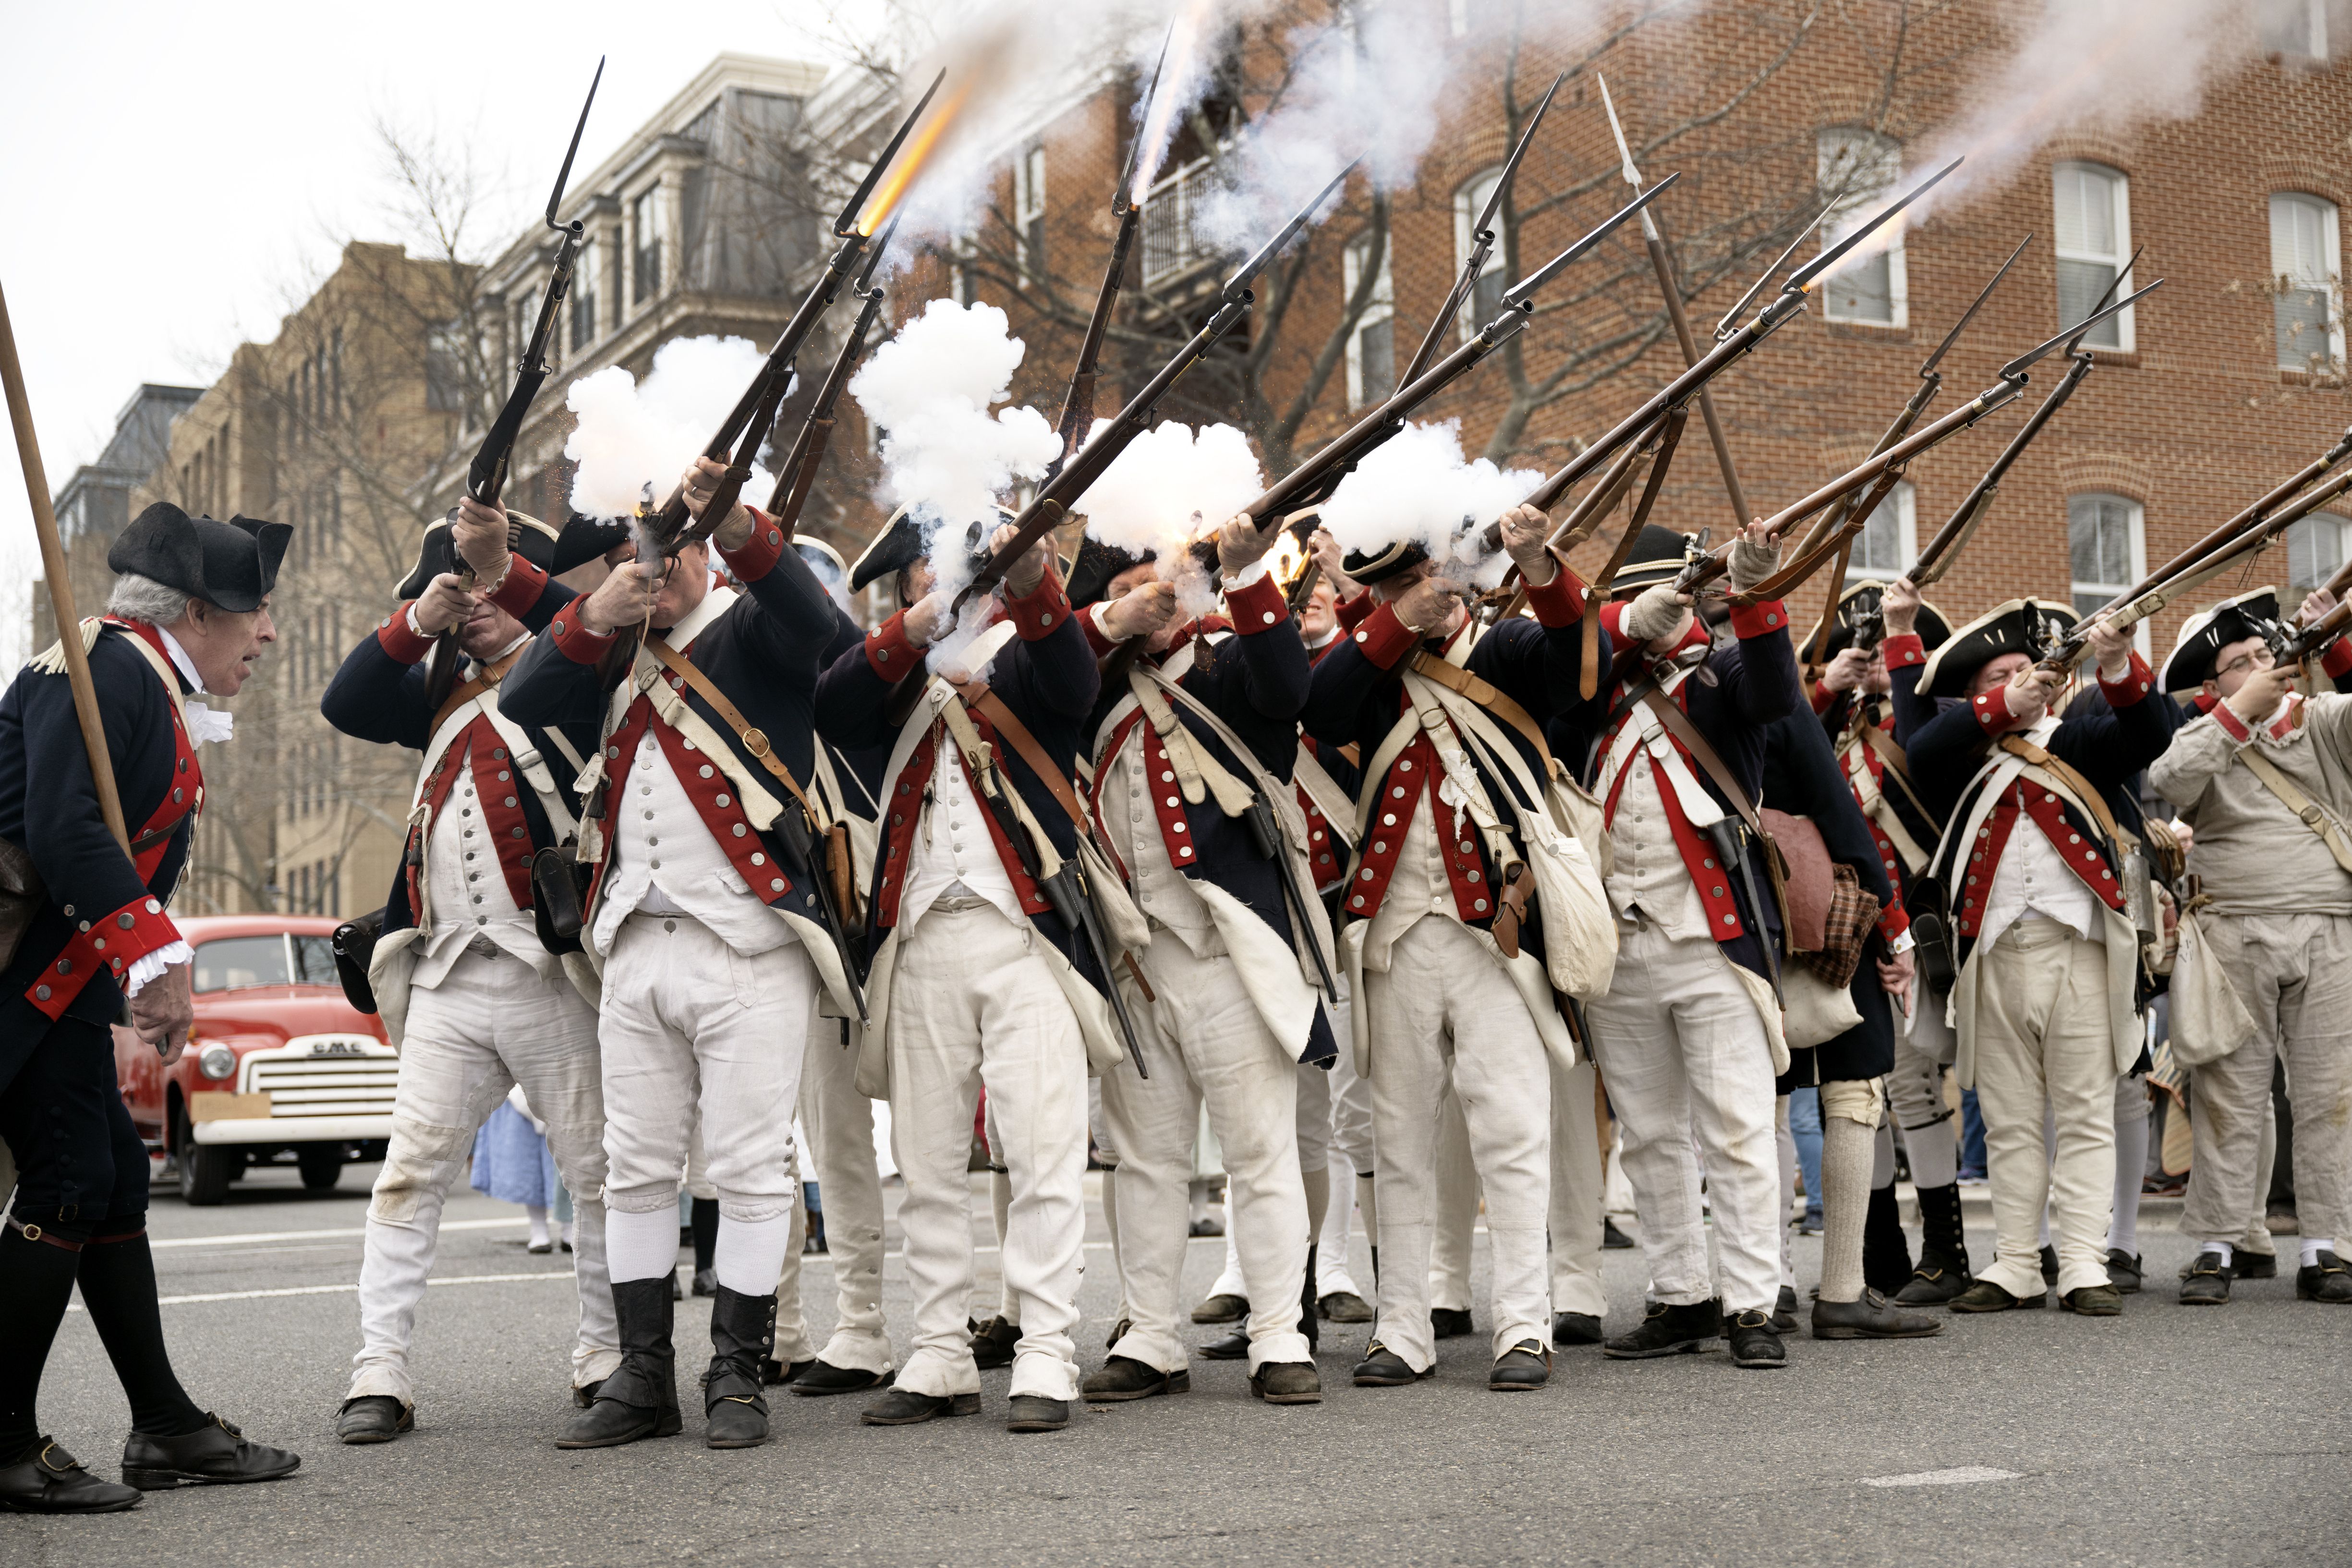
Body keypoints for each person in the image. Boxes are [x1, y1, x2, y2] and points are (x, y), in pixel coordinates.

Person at [502, 461, 857, 1450]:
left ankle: (736, 1375)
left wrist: (738, 520)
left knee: (748, 1169)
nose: (659, 571)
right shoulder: (611, 654)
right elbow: (526, 697)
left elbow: (820, 626)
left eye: (674, 550)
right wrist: (598, 608)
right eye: (637, 558)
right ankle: (643, 1374)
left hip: (748, 942)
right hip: (634, 944)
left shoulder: (754, 630)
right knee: (635, 1170)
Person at [0, 503, 300, 1512]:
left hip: (59, 982)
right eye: (256, 611)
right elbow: (61, 825)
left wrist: (132, 958)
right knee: (73, 1178)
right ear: (199, 610)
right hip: (19, 978)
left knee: (114, 1178)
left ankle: (166, 1425)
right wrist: (151, 953)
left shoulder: (135, 677)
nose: (267, 634)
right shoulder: (104, 669)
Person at [318, 498, 623, 1444]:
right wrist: (421, 618)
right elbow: (346, 700)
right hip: (447, 976)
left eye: (496, 585)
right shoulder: (433, 692)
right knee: (407, 1175)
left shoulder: (578, 684)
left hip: (548, 973)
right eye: (465, 588)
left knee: (596, 1173)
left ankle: (606, 1354)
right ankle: (381, 1366)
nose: (480, 603)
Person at [813, 508, 1111, 1435]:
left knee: (1041, 1151)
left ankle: (1046, 1348)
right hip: (920, 935)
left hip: (1026, 935)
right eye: (927, 572)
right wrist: (913, 631)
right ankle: (938, 1349)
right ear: (911, 582)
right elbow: (835, 708)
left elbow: (1071, 682)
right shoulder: (895, 669)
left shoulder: (1027, 651)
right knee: (931, 1160)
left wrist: (1031, 583)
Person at [1300, 503, 1609, 1393]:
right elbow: (1319, 708)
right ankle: (1400, 1327)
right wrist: (1396, 618)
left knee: (1511, 1134)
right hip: (1393, 934)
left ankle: (1524, 1323)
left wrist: (1539, 563)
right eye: (1394, 585)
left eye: (1422, 577)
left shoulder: (1503, 650)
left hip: (1495, 934)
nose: (1415, 596)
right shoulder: (1365, 663)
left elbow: (1578, 670)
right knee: (1397, 1140)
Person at [1069, 519, 1330, 1406]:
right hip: (1135, 958)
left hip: (1227, 951)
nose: (1145, 598)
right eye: (1124, 588)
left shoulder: (1228, 663)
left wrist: (1248, 567)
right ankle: (1148, 1335)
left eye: (1158, 582)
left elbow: (1289, 686)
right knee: (1145, 1161)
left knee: (1260, 1153)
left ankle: (1277, 1332)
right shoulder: (1087, 682)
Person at [1906, 598, 2179, 1316]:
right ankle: (2017, 1262)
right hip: (1991, 956)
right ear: (1976, 697)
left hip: (2079, 949)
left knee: (2085, 1111)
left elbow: (2149, 731)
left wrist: (2116, 661)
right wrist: (2001, 706)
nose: (2023, 680)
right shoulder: (1957, 755)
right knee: (2009, 1119)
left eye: (2030, 669)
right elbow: (1921, 747)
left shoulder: (2080, 740)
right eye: (2000, 675)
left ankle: (2084, 1260)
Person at [1580, 522, 1802, 1371]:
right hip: (1618, 943)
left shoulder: (1725, 671)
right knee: (1647, 1135)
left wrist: (1752, 592)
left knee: (1737, 1130)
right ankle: (1681, 1292)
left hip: (1714, 943)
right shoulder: (1593, 685)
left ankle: (1752, 1302)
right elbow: (1546, 646)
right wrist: (1617, 627)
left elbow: (1776, 691)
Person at [2149, 586, 2352, 1305]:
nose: (2263, 666)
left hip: (2329, 923)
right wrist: (2238, 716)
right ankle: (2217, 1243)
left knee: (2330, 1094)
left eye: (2268, 653)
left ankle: (2328, 1245)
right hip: (2232, 930)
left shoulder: (2324, 721)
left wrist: (2333, 640)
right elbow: (2169, 779)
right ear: (2214, 685)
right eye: (2242, 662)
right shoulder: (2205, 735)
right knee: (2227, 1094)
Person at [1818, 578, 1974, 1304]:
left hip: (1914, 921)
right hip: (1848, 928)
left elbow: (1921, 753)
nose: (1874, 661)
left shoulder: (1931, 718)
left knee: (1912, 1089)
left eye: (1887, 649)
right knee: (1862, 1094)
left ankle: (1945, 1250)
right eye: (1864, 648)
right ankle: (1880, 1249)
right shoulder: (1834, 727)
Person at [1759, 705, 1937, 1340]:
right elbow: (1836, 810)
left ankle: (1764, 1287)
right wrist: (1891, 927)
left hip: (1734, 907)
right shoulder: (1774, 699)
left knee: (1762, 1098)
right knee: (1852, 1090)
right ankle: (1838, 1290)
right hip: (1821, 899)